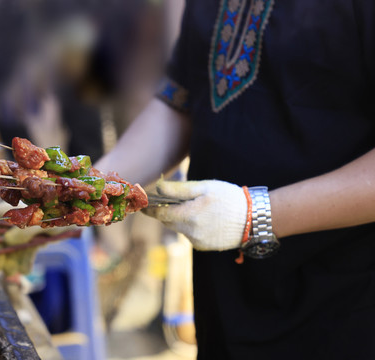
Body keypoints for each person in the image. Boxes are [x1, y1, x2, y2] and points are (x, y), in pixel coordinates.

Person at [95, 1, 375, 359]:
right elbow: (182, 99)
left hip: (342, 304)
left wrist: (256, 214)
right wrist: (90, 186)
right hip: (225, 294)